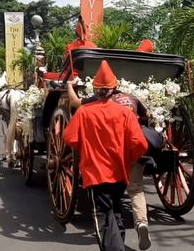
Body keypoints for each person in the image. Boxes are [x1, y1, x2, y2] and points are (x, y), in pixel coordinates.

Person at [63, 60, 148, 251]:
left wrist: (85, 146)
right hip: (119, 172)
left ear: (95, 89)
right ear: (114, 89)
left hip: (95, 173)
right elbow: (140, 144)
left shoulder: (84, 112)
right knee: (115, 211)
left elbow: (69, 138)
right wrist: (128, 158)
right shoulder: (124, 114)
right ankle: (119, 245)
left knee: (102, 215)